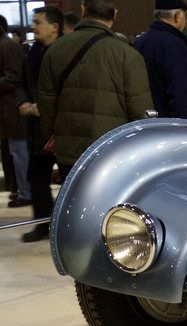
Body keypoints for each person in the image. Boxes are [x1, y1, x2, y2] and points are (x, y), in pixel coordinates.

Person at [38, 0, 153, 183]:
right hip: (111, 151)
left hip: (68, 148)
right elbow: (140, 110)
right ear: (115, 14)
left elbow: (46, 101)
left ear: (83, 11)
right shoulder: (128, 55)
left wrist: (56, 137)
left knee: (73, 204)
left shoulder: (55, 49)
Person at [15, 6, 62, 241]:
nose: (32, 26)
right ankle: (43, 224)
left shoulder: (66, 50)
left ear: (54, 26)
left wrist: (41, 108)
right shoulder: (33, 51)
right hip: (38, 129)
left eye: (37, 22)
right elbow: (21, 81)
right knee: (37, 177)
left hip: (63, 129)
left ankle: (67, 229)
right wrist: (23, 101)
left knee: (71, 181)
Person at [134, 0, 187, 121]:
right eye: (185, 15)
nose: (185, 20)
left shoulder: (140, 42)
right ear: (177, 15)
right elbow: (182, 94)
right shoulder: (175, 45)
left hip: (145, 124)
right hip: (171, 128)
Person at [0, 14, 31, 208]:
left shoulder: (7, 46)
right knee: (15, 151)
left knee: (19, 152)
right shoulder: (4, 44)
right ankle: (22, 189)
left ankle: (26, 192)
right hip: (8, 107)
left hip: (13, 107)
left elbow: (13, 77)